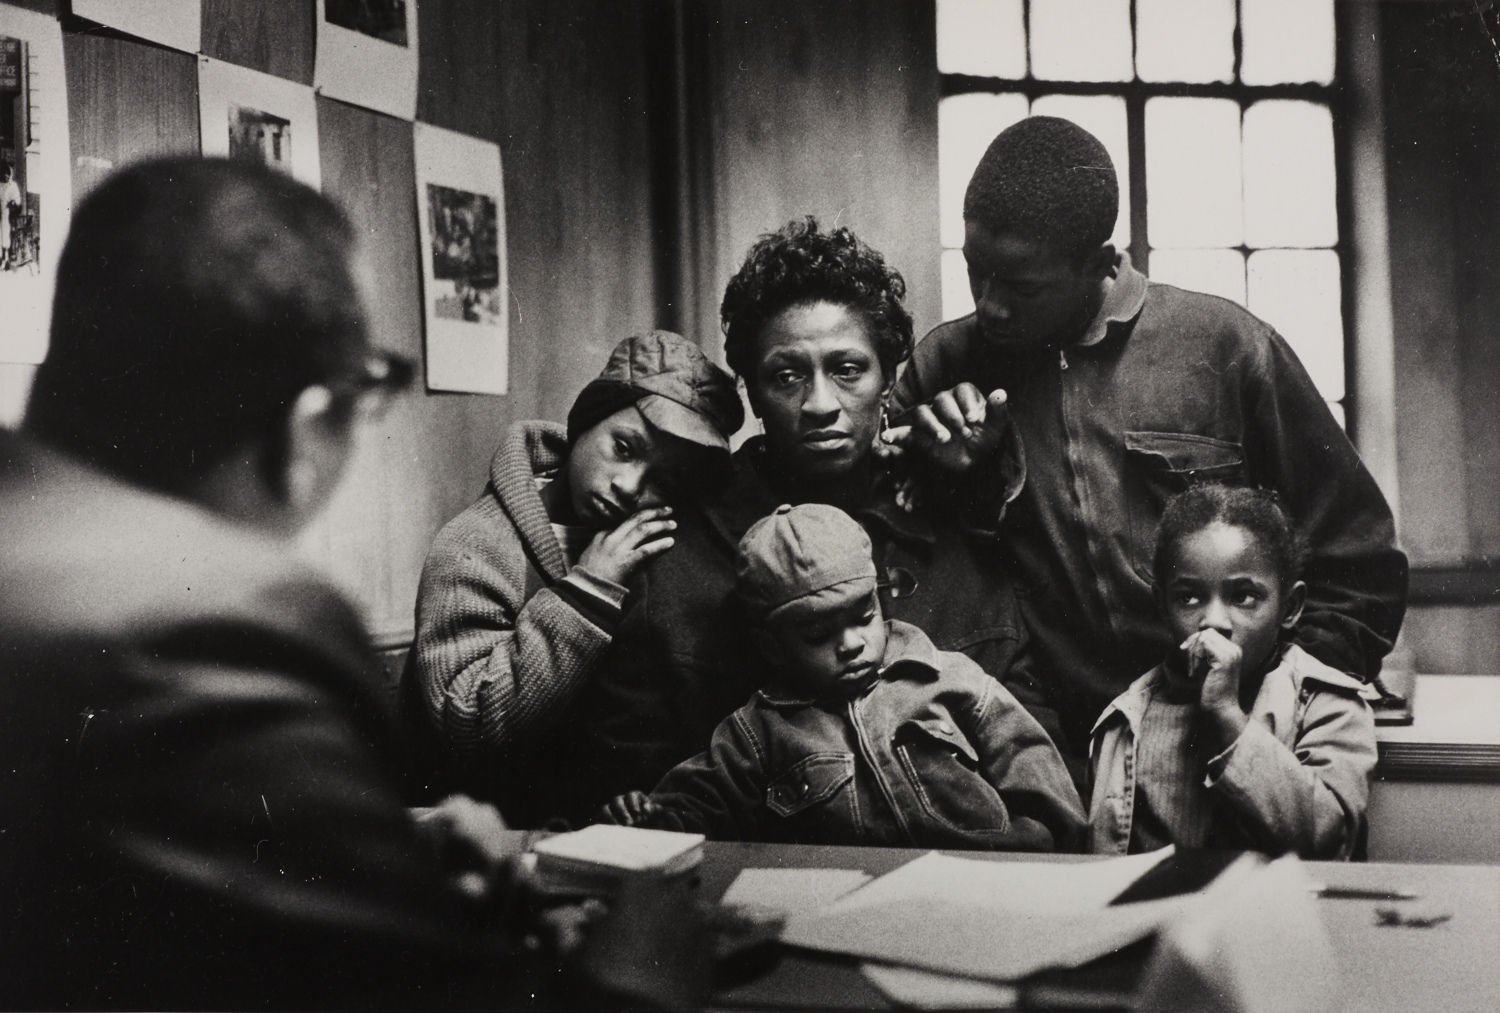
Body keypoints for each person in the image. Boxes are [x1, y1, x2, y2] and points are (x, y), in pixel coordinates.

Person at [0, 157, 654, 1008]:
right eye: (365, 394)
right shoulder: (232, 630)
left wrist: (380, 858)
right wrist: (642, 974)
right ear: (308, 426)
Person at [889, 116, 1407, 779]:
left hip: (1223, 748)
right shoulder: (944, 368)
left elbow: (1360, 566)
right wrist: (956, 479)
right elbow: (906, 572)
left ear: (1101, 263)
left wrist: (1281, 707)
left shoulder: (1227, 347)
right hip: (1049, 762)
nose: (990, 306)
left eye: (1021, 286)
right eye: (975, 272)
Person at [555, 217, 1028, 826]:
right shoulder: (676, 550)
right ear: (752, 392)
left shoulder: (952, 524)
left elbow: (1029, 736)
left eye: (848, 369)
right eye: (786, 376)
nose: (820, 404)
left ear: (889, 379)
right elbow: (626, 787)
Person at [602, 503, 1086, 851]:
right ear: (772, 647)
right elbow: (700, 807)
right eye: (818, 634)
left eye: (863, 616)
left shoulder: (951, 678)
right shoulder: (757, 734)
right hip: (844, 910)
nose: (852, 643)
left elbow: (1032, 765)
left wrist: (1045, 854)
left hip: (986, 885)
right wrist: (651, 821)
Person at [404, 330, 743, 825]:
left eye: (664, 479)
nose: (629, 486)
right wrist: (588, 589)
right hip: (483, 830)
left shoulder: (652, 543)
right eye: (623, 447)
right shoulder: (474, 545)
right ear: (585, 421)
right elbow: (466, 723)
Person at [1088, 485, 1377, 859]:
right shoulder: (1126, 719)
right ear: (1162, 605)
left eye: (1243, 597)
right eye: (1188, 597)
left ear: (1289, 607)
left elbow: (1329, 839)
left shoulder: (1328, 706)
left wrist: (1227, 716)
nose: (1213, 621)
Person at [0, 161, 21, 270]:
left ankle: (6, 259)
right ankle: (1, 258)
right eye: (4, 174)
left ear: (10, 174)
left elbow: (18, 200)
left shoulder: (13, 186)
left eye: (7, 174)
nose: (5, 176)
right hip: (0, 212)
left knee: (5, 235)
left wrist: (13, 203)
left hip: (7, 214)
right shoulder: (0, 185)